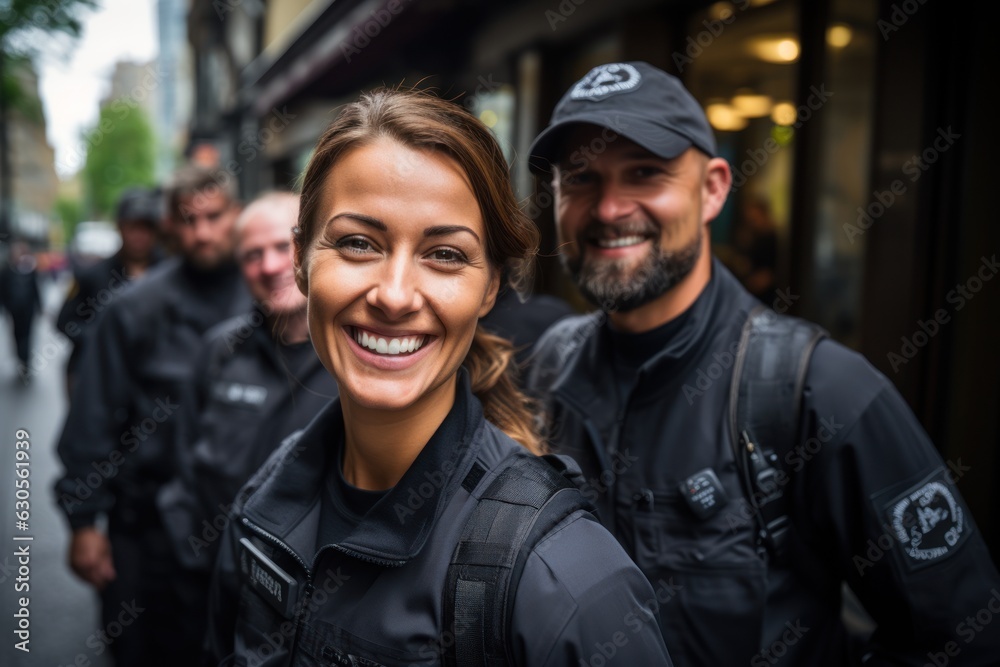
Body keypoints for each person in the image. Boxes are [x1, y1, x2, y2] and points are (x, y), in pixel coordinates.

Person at [524, 61, 1000, 666]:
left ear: (715, 188)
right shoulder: (542, 373)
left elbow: (963, 639)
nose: (610, 208)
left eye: (645, 173)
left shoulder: (820, 390)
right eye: (581, 178)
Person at [206, 88, 671, 666]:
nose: (395, 295)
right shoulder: (264, 504)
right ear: (301, 261)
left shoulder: (567, 582)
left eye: (445, 254)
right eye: (357, 243)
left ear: (491, 287)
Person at [54, 166, 251, 666]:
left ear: (236, 217)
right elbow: (91, 419)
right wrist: (85, 521)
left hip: (249, 532)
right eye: (188, 219)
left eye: (213, 216)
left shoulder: (268, 298)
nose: (201, 231)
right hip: (145, 528)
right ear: (170, 224)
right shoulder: (131, 310)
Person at [156, 191, 338, 659]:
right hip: (213, 592)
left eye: (284, 247)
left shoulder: (356, 358)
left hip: (319, 615)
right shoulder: (219, 350)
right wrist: (188, 558)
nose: (270, 265)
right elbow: (183, 467)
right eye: (252, 255)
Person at [56, 187, 164, 392]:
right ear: (120, 227)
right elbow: (65, 321)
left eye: (146, 228)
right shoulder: (92, 275)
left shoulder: (169, 273)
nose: (140, 236)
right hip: (98, 378)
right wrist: (102, 339)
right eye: (133, 227)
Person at [1, 241, 42, 381]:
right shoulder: (7, 271)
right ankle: (20, 357)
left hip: (28, 309)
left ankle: (25, 360)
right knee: (17, 334)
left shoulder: (30, 269)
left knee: (27, 335)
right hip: (14, 310)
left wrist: (39, 307)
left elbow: (36, 289)